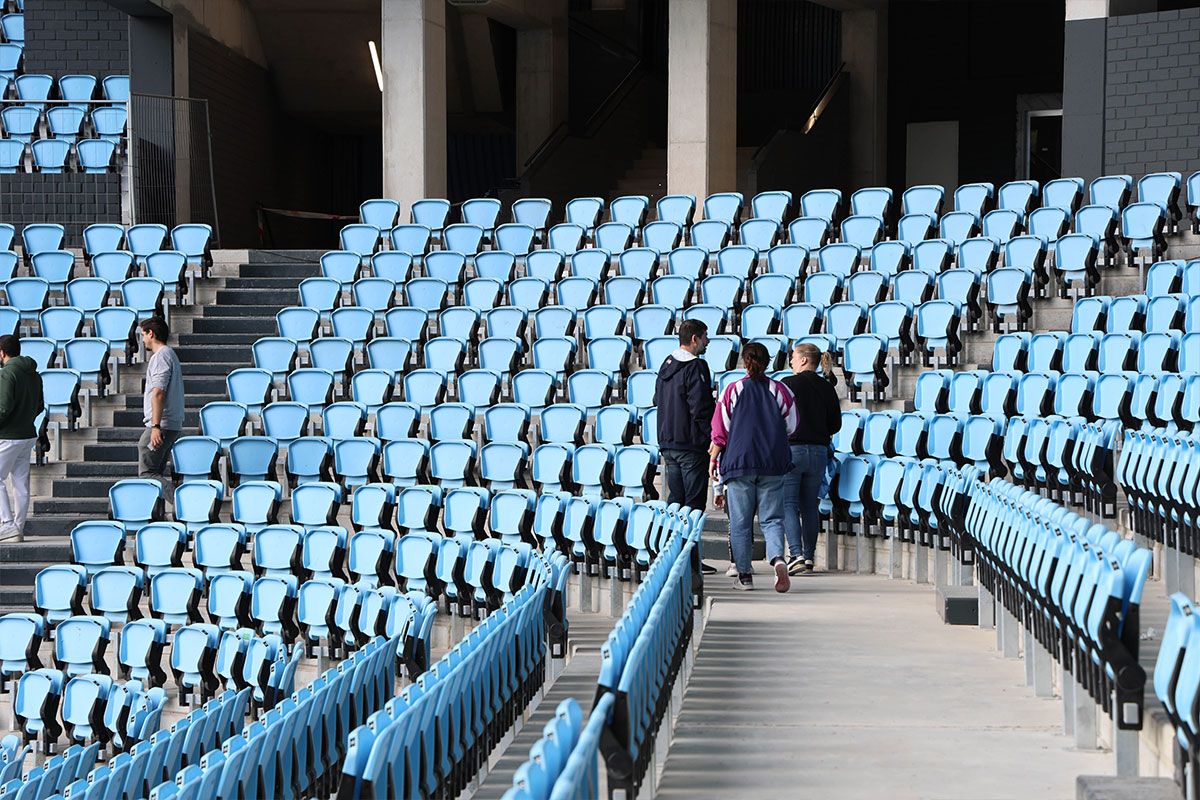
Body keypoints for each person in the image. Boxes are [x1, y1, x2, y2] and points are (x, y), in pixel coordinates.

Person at [709, 341, 798, 592]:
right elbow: (792, 426)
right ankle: (779, 559)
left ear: (744, 362)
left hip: (739, 463)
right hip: (773, 462)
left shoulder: (733, 390)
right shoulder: (780, 390)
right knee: (772, 519)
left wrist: (715, 457)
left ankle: (745, 576)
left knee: (740, 522)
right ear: (768, 361)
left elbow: (720, 430)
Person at [654, 318, 719, 575]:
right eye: (705, 337)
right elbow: (700, 408)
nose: (708, 341)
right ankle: (691, 561)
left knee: (676, 503)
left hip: (669, 442)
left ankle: (676, 558)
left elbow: (657, 399)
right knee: (693, 506)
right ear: (694, 339)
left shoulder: (665, 365)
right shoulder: (696, 367)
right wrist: (713, 437)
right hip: (691, 444)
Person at [780, 343, 843, 575]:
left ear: (804, 360)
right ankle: (808, 557)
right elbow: (836, 424)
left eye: (794, 358)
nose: (791, 362)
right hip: (817, 451)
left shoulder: (787, 384)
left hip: (792, 450)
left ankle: (795, 554)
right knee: (809, 504)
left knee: (788, 503)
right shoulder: (827, 387)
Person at [0, 336, 44, 538]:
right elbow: (39, 406)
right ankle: (18, 527)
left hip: (8, 435)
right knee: (20, 483)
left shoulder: (8, 373)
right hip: (27, 434)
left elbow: (4, 407)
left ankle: (8, 525)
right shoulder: (34, 374)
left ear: (2, 352)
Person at [139, 317, 185, 496]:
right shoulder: (169, 354)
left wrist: (155, 426)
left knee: (147, 475)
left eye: (143, 335)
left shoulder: (161, 356)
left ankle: (184, 505)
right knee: (155, 474)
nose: (143, 340)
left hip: (162, 424)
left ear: (151, 334)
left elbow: (158, 392)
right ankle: (157, 517)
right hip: (170, 424)